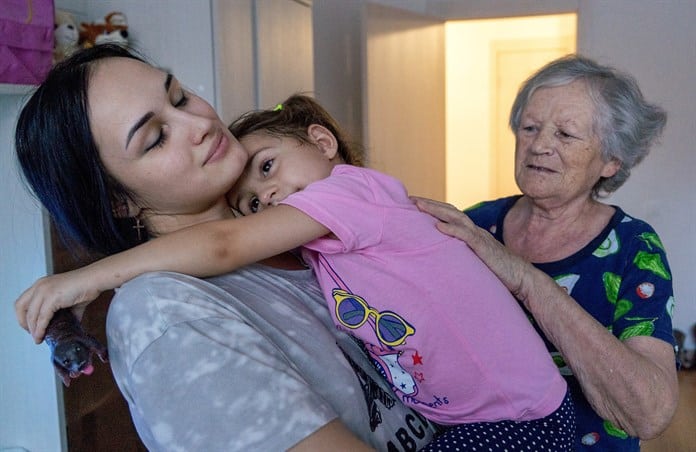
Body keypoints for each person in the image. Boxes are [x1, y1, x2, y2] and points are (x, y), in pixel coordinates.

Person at [16, 93, 576, 450]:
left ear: (322, 141)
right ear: (119, 201)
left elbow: (220, 244)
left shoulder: (350, 195)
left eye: (267, 168)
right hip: (496, 418)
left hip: (514, 416)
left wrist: (86, 278)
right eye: (255, 204)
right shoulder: (169, 312)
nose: (270, 195)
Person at [13, 44, 440, 451]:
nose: (199, 125)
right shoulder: (165, 314)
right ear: (117, 202)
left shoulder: (284, 223)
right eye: (156, 138)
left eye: (179, 98)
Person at [413, 55, 679, 451]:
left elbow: (649, 412)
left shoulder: (634, 248)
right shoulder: (475, 225)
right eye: (530, 127)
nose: (538, 146)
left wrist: (524, 279)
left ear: (610, 161)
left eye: (565, 135)